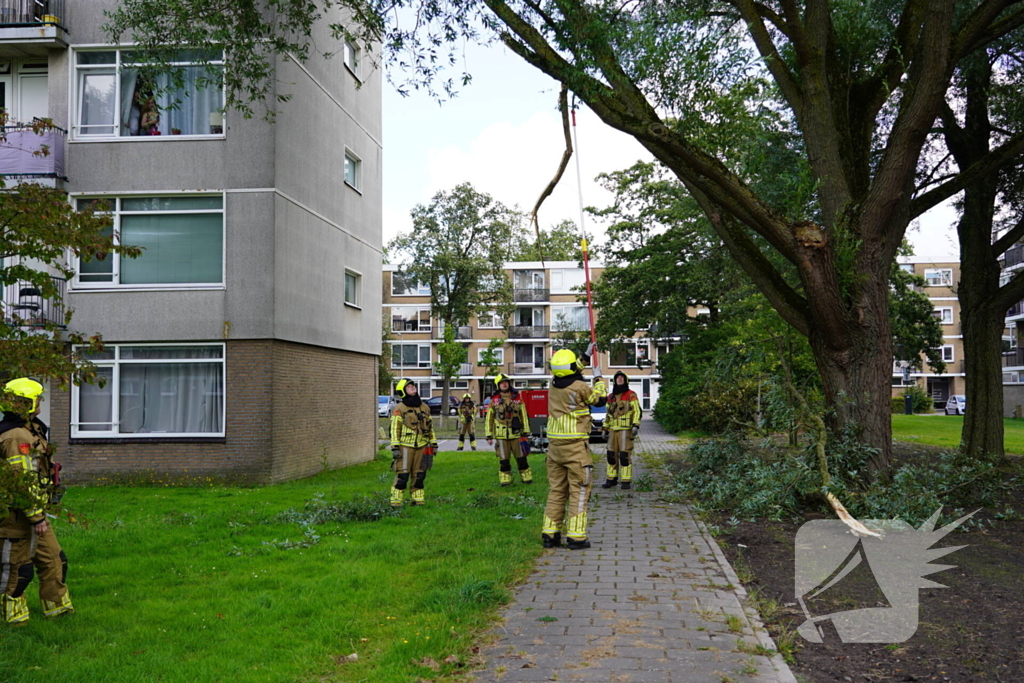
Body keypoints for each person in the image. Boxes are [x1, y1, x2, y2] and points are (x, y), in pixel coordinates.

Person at [1, 378, 73, 625]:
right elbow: (21, 480)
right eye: (37, 398)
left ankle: (58, 612)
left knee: (55, 559)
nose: (41, 402)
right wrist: (36, 517)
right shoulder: (15, 436)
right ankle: (14, 620)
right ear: (26, 403)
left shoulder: (31, 428)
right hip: (16, 517)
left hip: (35, 513)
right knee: (17, 570)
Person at [542, 346, 606, 550]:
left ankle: (550, 534)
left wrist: (586, 356)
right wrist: (599, 380)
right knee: (579, 490)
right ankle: (576, 537)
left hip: (555, 447)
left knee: (557, 490)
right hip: (575, 446)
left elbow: (570, 370)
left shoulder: (553, 384)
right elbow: (599, 400)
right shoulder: (580, 387)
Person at [389, 379, 438, 507]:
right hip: (405, 447)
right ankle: (396, 502)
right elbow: (395, 428)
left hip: (422, 446)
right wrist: (395, 447)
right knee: (403, 474)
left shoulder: (424, 407)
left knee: (420, 475)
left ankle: (418, 500)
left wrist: (433, 443)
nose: (412, 388)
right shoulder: (399, 408)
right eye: (409, 387)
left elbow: (430, 427)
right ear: (402, 391)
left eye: (413, 386)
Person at [485, 374, 532, 486]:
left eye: (506, 382)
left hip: (517, 434)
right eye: (502, 382)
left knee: (522, 459)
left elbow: (523, 415)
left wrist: (526, 431)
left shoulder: (517, 398)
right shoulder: (494, 400)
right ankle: (505, 480)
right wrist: (488, 435)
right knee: (504, 460)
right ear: (498, 385)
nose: (504, 384)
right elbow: (489, 419)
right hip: (501, 436)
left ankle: (527, 478)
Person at [601, 371, 642, 490]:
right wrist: (605, 428)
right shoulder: (611, 397)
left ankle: (625, 481)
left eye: (622, 377)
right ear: (615, 380)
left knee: (624, 456)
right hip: (613, 431)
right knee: (611, 455)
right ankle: (611, 479)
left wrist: (636, 425)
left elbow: (637, 411)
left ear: (625, 380)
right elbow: (608, 414)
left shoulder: (631, 395)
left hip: (626, 430)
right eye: (617, 377)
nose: (619, 379)